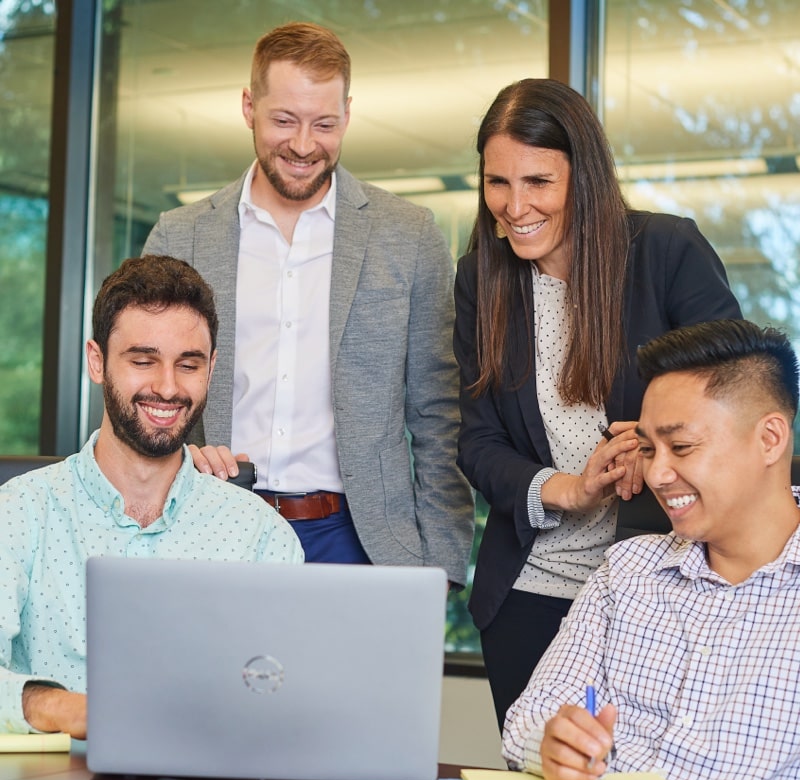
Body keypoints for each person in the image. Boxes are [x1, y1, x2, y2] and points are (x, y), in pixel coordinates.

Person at [453, 77, 743, 728]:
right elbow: (475, 440)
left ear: (582, 179)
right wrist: (567, 490)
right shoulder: (481, 279)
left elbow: (737, 393)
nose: (514, 205)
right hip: (530, 594)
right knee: (539, 777)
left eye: (538, 182)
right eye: (497, 182)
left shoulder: (667, 254)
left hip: (661, 585)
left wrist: (654, 440)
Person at [142, 22, 473, 585]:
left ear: (347, 112)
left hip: (359, 539)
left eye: (324, 124)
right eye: (283, 121)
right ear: (249, 107)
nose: (302, 145)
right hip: (211, 526)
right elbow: (143, 389)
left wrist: (440, 564)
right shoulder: (181, 237)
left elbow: (439, 413)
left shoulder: (408, 236)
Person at [0, 255, 303, 739]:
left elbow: (293, 697)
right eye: (143, 361)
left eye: (188, 365)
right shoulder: (18, 514)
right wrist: (67, 710)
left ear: (212, 368)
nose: (167, 387)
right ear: (97, 362)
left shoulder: (261, 535)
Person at [503, 318, 800, 780]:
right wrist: (551, 745)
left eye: (680, 447)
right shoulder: (626, 571)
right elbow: (530, 718)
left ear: (769, 439)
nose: (658, 474)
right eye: (647, 448)